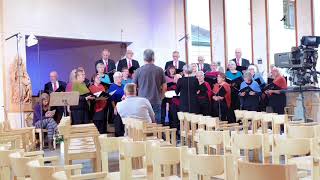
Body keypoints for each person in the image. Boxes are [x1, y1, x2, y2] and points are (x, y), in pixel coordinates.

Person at [133, 49, 167, 124]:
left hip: (142, 100)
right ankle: (157, 136)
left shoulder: (138, 71)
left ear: (144, 58)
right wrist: (162, 96)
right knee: (156, 123)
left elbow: (133, 87)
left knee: (143, 123)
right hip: (156, 100)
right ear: (153, 57)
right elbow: (164, 86)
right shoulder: (160, 70)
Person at [109, 72, 125, 136]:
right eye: (119, 77)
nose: (121, 78)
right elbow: (112, 99)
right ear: (115, 78)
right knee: (118, 125)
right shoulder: (112, 86)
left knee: (123, 124)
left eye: (121, 76)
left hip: (124, 106)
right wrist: (114, 108)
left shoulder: (123, 86)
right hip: (116, 106)